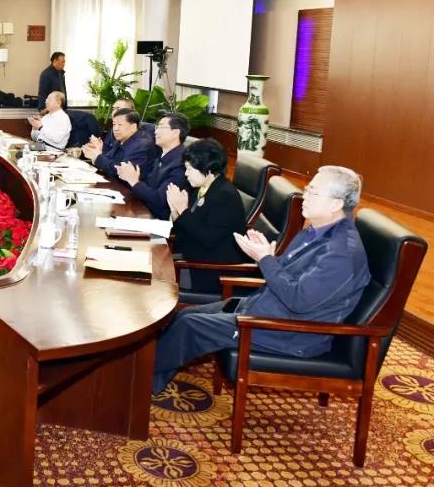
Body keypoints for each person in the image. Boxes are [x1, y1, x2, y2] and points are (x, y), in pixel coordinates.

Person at [152, 165, 372, 395]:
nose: (304, 195)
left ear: (336, 204)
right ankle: (151, 379)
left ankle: (140, 379)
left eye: (313, 192)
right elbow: (290, 277)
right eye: (307, 188)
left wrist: (265, 259)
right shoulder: (316, 231)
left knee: (190, 326)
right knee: (186, 315)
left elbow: (298, 300)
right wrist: (267, 255)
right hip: (267, 309)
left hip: (290, 332)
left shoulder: (341, 254)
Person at [164, 138, 248, 292]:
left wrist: (183, 211)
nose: (186, 174)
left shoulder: (225, 196)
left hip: (213, 273)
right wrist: (176, 214)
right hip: (194, 258)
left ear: (208, 169)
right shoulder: (202, 188)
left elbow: (208, 239)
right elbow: (189, 231)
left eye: (189, 169)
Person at [117, 112, 189, 220]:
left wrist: (134, 182)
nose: (156, 131)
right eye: (157, 127)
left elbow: (160, 200)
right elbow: (149, 186)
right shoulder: (163, 156)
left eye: (161, 127)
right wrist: (130, 177)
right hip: (143, 211)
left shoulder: (181, 163)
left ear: (175, 133)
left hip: (158, 220)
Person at [82, 107, 156, 179]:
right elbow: (110, 159)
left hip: (128, 186)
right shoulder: (122, 138)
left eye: (120, 125)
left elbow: (122, 170)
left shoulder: (141, 145)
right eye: (114, 124)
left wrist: (97, 157)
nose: (115, 129)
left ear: (133, 127)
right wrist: (97, 152)